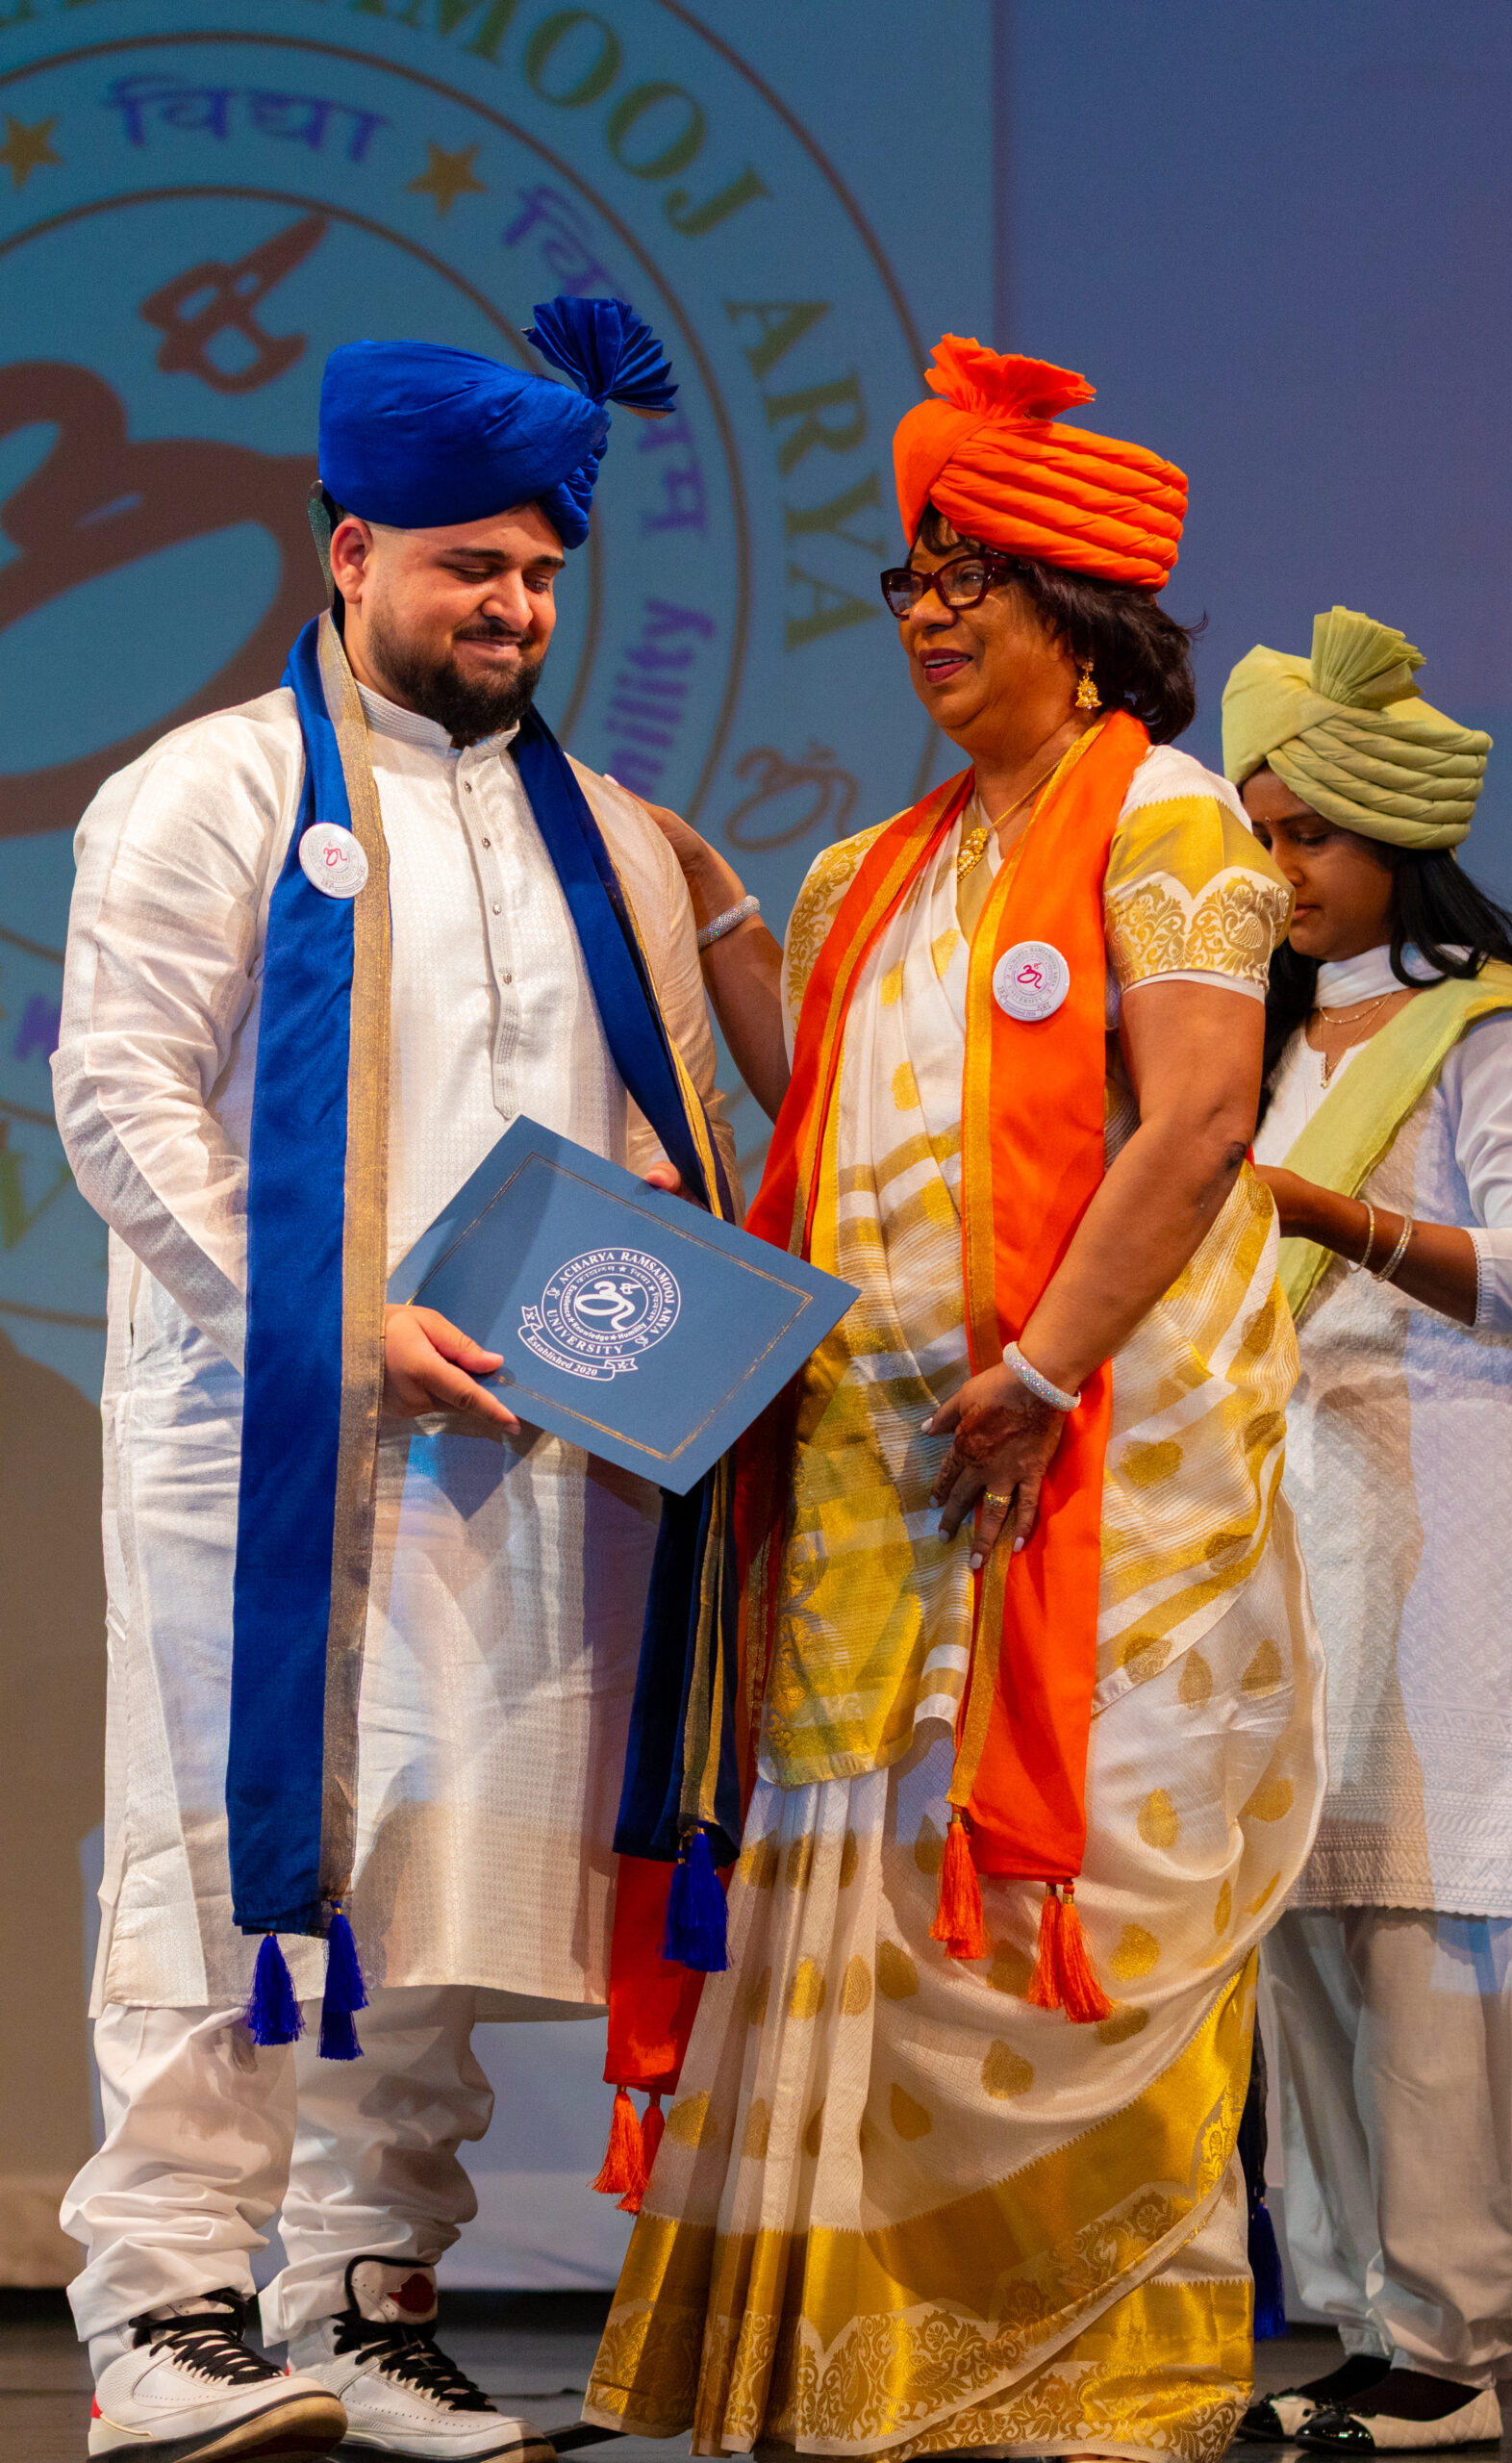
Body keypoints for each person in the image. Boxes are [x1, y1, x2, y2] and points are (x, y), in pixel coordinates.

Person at [583, 336, 1327, 2463]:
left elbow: (1195, 1123)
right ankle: (858, 2367)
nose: (924, 612)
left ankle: (1078, 2378)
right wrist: (711, 931)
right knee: (870, 1881)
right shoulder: (872, 870)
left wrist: (1039, 1371)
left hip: (1090, 1480)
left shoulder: (1170, 820)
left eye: (966, 575)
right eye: (908, 577)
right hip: (876, 1496)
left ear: (1075, 607)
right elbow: (830, 1124)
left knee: (1044, 1901)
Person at [53, 297, 740, 2463]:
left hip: (525, 1449)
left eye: (539, 571)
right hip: (265, 1440)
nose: (512, 605)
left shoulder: (611, 838)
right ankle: (162, 2310)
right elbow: (117, 1099)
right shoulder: (210, 792)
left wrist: (652, 1258)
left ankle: (361, 2298)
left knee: (444, 1874)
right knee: (233, 1866)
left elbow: (667, 1125)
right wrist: (334, 1320)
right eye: (470, 566)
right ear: (348, 549)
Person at [1224, 608, 1512, 2453]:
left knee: (1420, 1936)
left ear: (1395, 835)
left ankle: (1453, 2344)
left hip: (1449, 1526)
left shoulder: (1490, 1034)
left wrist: (1336, 1217)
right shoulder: (1267, 1033)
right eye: (1259, 835)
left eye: (1308, 834)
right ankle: (1353, 2317)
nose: (1279, 873)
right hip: (1286, 1523)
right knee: (1301, 1931)